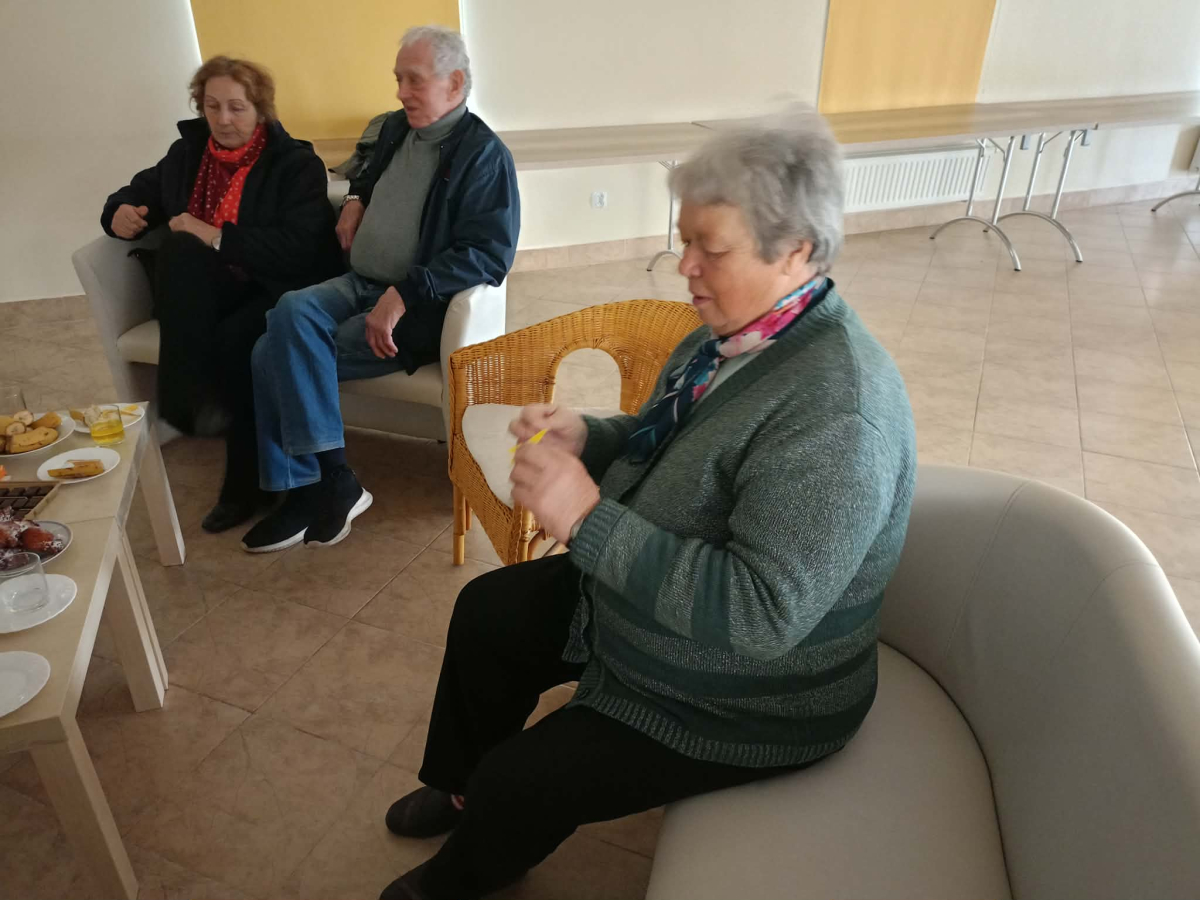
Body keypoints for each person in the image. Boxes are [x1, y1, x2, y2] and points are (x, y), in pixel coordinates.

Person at [376, 111, 918, 900]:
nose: (684, 266)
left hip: (750, 695)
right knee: (487, 613)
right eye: (684, 238)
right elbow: (677, 438)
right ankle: (461, 791)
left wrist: (586, 519)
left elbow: (760, 616)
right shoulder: (728, 335)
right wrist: (592, 435)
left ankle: (462, 875)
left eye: (711, 248)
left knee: (522, 782)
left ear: (796, 250)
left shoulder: (838, 413)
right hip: (651, 610)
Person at [241, 25, 520, 553]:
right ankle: (331, 482)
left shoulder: (483, 155)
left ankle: (307, 489)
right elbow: (367, 175)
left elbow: (489, 254)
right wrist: (353, 201)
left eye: (414, 80)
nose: (401, 92)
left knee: (266, 352)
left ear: (455, 82)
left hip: (415, 308)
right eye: (398, 79)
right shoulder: (396, 127)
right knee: (291, 309)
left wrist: (405, 293)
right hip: (359, 282)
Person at [101, 56, 342, 533]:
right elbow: (136, 191)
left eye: (236, 107)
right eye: (212, 106)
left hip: (274, 288)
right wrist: (119, 211)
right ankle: (195, 406)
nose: (223, 119)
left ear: (261, 109)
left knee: (236, 340)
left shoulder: (295, 164)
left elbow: (297, 251)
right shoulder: (187, 154)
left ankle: (238, 479)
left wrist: (213, 234)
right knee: (179, 251)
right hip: (202, 291)